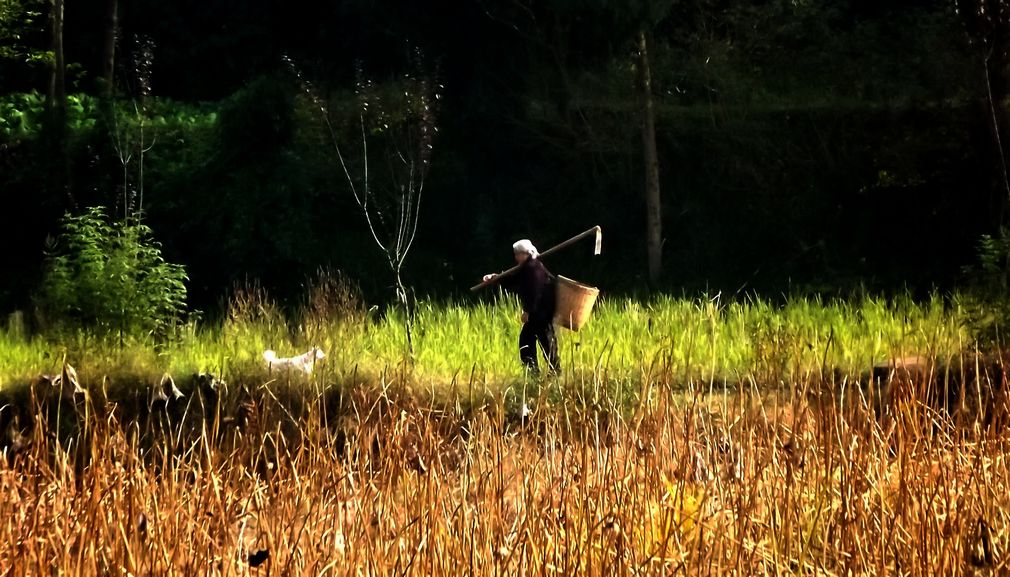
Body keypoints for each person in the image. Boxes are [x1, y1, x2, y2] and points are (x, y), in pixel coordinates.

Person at [484, 239, 561, 375]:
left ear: (524, 253)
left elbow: (535, 292)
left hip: (541, 312)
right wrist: (495, 278)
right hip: (538, 313)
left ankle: (552, 371)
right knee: (530, 341)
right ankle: (534, 372)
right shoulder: (527, 267)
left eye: (517, 254)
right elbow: (511, 279)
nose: (515, 257)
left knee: (545, 342)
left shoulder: (533, 268)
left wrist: (527, 311)